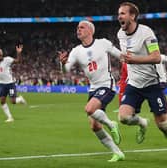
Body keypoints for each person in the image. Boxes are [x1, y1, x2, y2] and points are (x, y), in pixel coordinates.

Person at [58, 20, 125, 162]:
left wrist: (128, 70)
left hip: (107, 85)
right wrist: (63, 63)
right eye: (77, 28)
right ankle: (118, 153)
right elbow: (66, 70)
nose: (78, 30)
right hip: (93, 88)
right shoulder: (76, 51)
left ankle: (112, 124)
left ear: (90, 30)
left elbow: (121, 57)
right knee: (94, 126)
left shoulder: (103, 43)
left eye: (81, 27)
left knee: (89, 109)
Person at [117, 1, 167, 144]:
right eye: (118, 14)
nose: (119, 16)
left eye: (122, 13)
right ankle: (142, 123)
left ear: (132, 16)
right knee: (123, 117)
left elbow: (156, 57)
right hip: (134, 84)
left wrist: (134, 60)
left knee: (163, 124)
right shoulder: (120, 34)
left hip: (152, 84)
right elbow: (127, 55)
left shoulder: (146, 33)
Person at [0, 45, 26, 123]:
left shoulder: (7, 59)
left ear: (2, 54)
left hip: (10, 84)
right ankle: (10, 117)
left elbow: (18, 61)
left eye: (0, 54)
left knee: (13, 101)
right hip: (1, 84)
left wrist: (19, 53)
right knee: (2, 101)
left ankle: (20, 99)